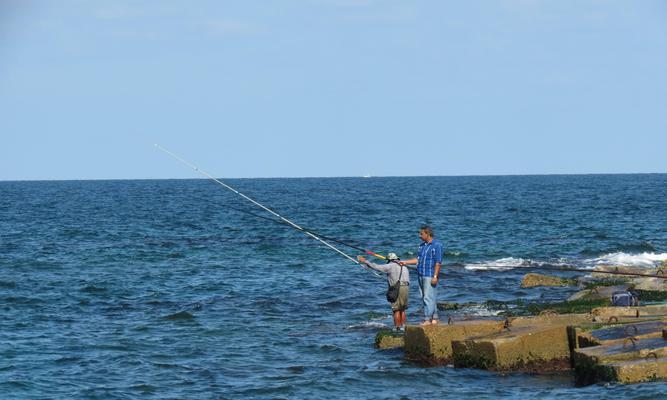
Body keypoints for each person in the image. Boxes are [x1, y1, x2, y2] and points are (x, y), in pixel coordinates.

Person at [400, 226, 443, 326]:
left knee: (428, 297)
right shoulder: (422, 246)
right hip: (420, 274)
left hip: (430, 274)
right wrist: (405, 262)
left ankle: (427, 319)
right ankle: (434, 318)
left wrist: (435, 276)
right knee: (426, 297)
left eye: (421, 234)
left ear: (428, 234)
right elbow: (418, 260)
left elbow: (438, 262)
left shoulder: (437, 245)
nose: (419, 236)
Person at [357, 252, 409, 331]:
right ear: (397, 258)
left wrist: (365, 261)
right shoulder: (404, 266)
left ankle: (397, 328)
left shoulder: (390, 265)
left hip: (397, 289)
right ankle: (404, 327)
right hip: (406, 287)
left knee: (396, 309)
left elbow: (377, 267)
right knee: (402, 309)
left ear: (389, 260)